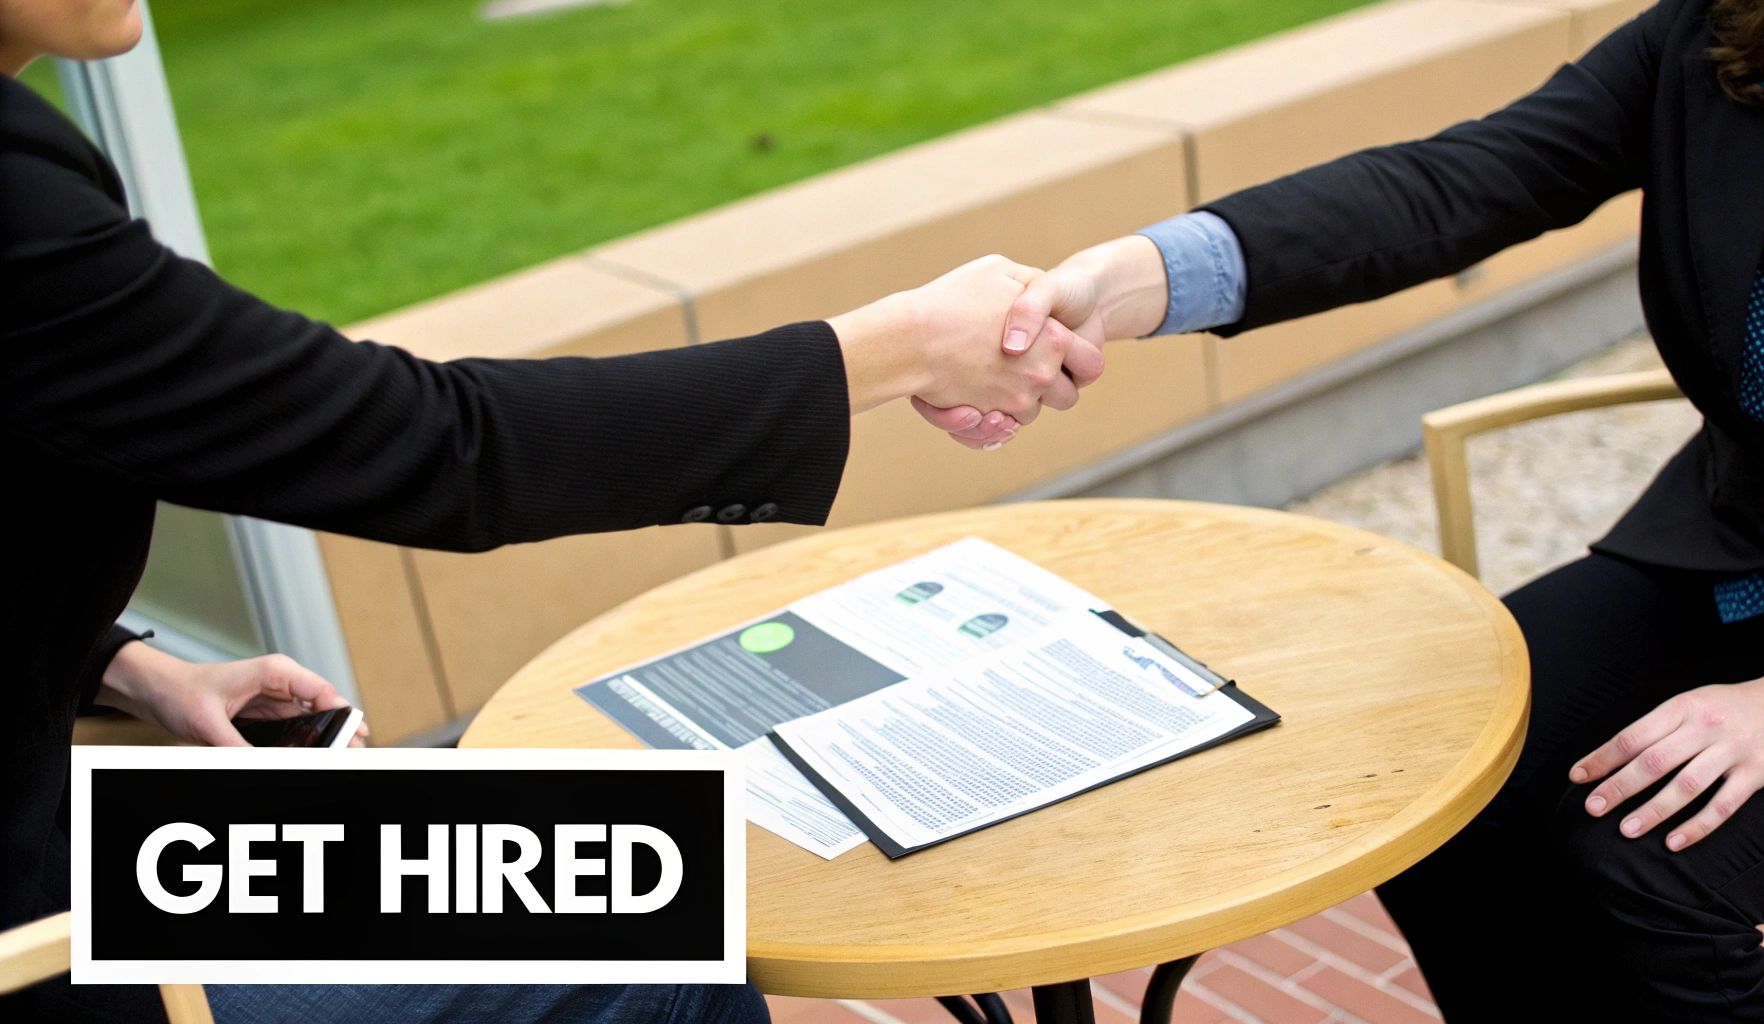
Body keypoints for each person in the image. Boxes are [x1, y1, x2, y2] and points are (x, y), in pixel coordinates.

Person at [0, 1, 1107, 1022]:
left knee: (622, 848)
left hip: (67, 845)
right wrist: (902, 346)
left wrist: (122, 665)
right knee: (647, 915)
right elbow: (435, 445)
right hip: (44, 938)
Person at [924, 0, 1764, 1018]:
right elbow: (1457, 182)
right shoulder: (1721, 31)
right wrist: (1121, 281)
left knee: (1649, 870)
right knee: (1427, 790)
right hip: (1748, 542)